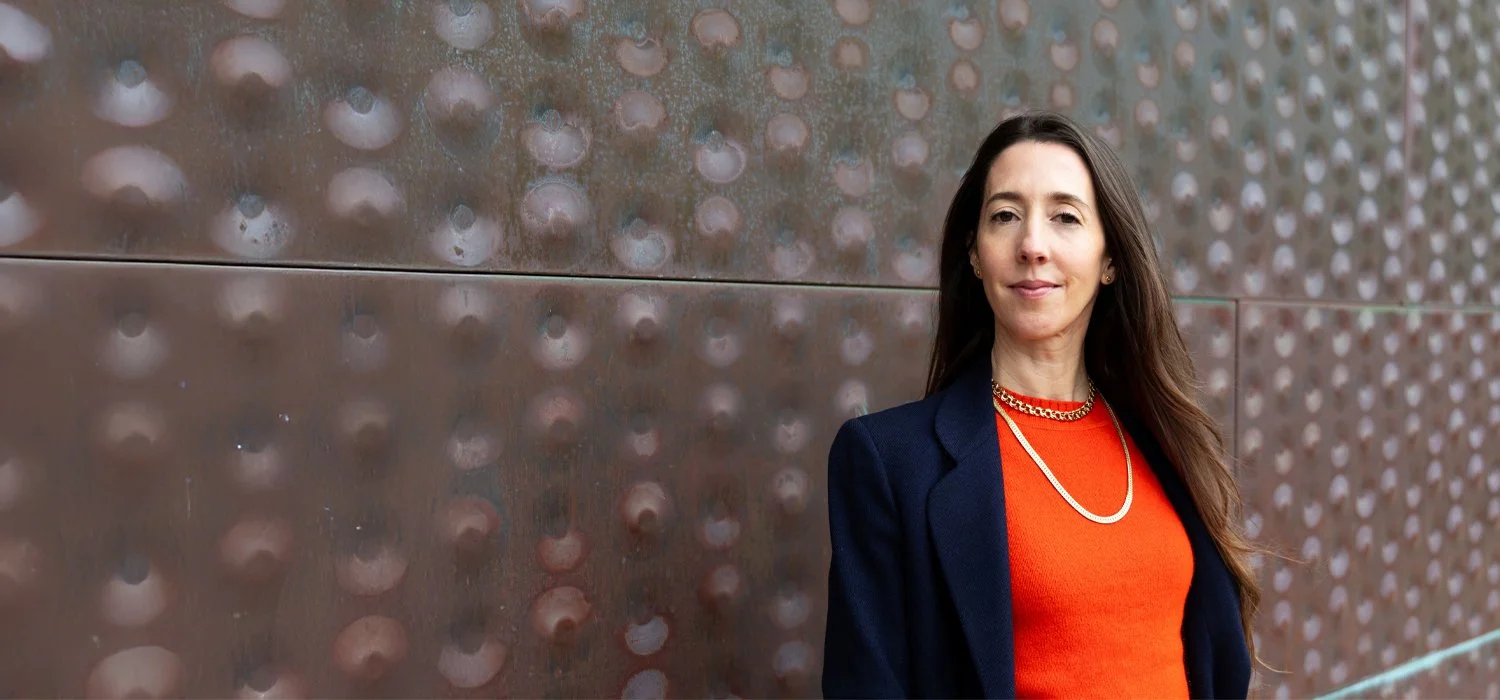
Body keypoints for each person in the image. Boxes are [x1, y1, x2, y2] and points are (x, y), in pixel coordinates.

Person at [822, 110, 1258, 699]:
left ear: (1111, 259)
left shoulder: (1166, 437)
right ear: (975, 254)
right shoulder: (890, 462)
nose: (1032, 245)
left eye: (1065, 218)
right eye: (1005, 216)